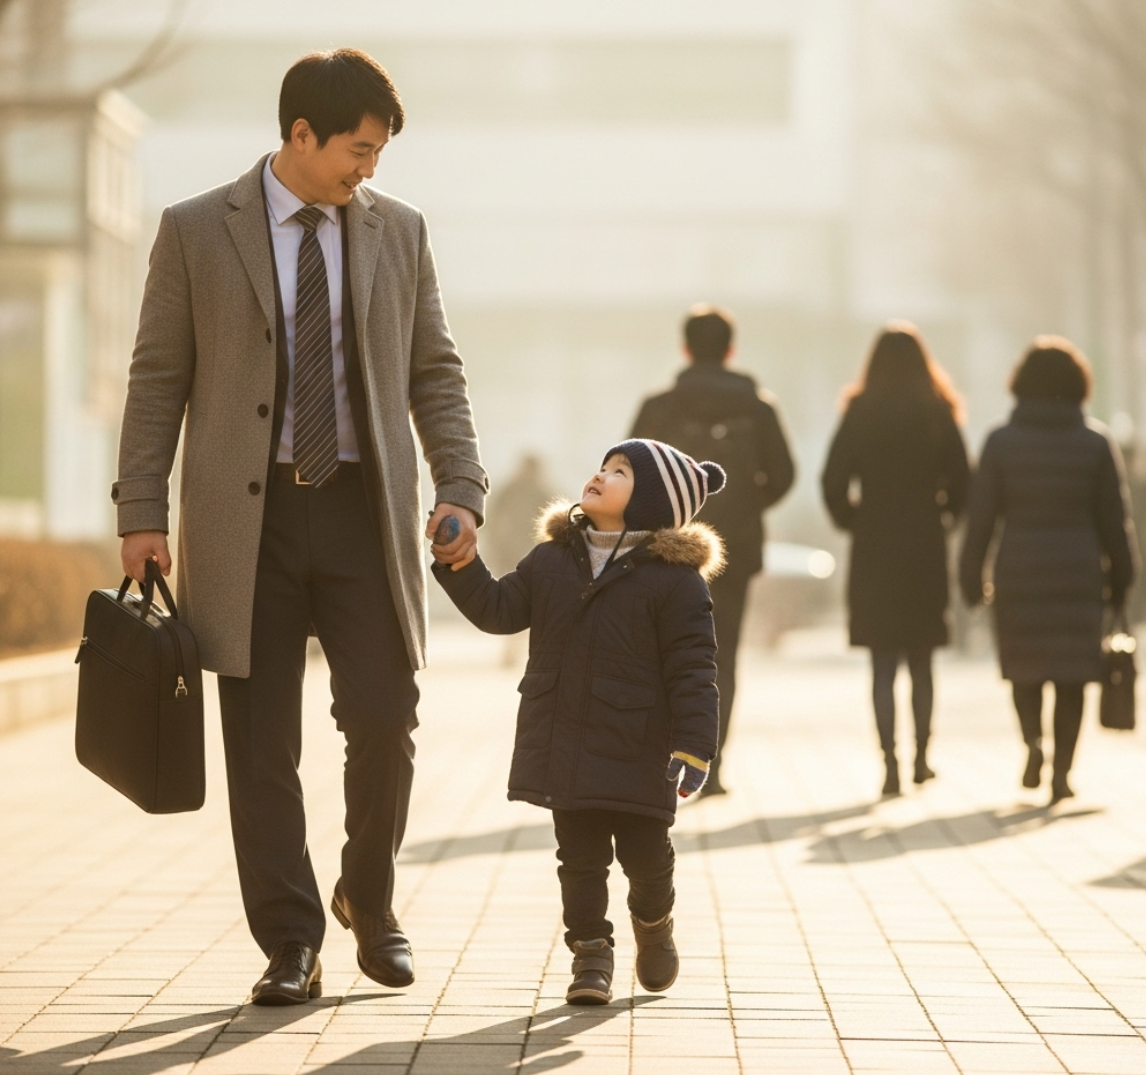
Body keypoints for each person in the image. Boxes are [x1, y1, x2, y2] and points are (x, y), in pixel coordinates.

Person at [112, 49, 488, 1004]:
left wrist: (462, 484)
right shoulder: (198, 230)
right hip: (250, 522)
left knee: (384, 717)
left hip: (365, 512)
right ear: (300, 136)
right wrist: (142, 512)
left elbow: (434, 371)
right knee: (259, 736)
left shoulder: (398, 231)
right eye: (358, 150)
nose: (371, 168)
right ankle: (290, 940)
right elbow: (158, 379)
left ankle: (370, 895)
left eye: (381, 152)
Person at [431, 439, 724, 1004]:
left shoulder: (673, 580)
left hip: (641, 745)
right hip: (566, 735)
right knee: (579, 860)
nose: (600, 475)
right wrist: (461, 564)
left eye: (620, 473)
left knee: (646, 856)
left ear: (653, 504)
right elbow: (499, 609)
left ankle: (654, 923)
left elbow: (694, 669)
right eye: (603, 466)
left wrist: (694, 745)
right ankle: (591, 956)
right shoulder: (552, 559)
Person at [959, 337, 1136, 805]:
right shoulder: (1095, 443)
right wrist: (1123, 578)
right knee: (1072, 675)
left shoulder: (1000, 442)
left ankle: (1033, 744)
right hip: (1078, 574)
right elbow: (1115, 521)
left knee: (1025, 669)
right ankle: (1061, 772)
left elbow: (981, 519)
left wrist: (971, 577)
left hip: (1019, 572)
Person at [630, 305, 794, 795]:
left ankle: (658, 761)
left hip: (665, 547)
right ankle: (710, 767)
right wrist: (744, 506)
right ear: (730, 349)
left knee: (660, 653)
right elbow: (783, 474)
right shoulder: (758, 406)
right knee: (721, 657)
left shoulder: (658, 407)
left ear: (685, 349)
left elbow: (629, 469)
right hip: (734, 551)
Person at [821, 322, 969, 797]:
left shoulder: (860, 411)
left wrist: (852, 520)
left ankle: (890, 765)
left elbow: (831, 479)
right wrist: (944, 517)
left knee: (882, 662)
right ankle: (923, 758)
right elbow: (965, 480)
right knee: (922, 659)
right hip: (924, 542)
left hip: (875, 545)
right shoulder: (938, 412)